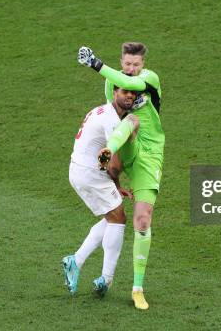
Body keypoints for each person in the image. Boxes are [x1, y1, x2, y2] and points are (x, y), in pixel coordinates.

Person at [78, 43, 164, 310]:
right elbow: (112, 116)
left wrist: (97, 65)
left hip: (148, 153)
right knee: (113, 210)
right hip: (122, 144)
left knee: (142, 219)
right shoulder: (112, 85)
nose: (131, 69)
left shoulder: (149, 79)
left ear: (143, 65)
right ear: (122, 61)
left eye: (136, 65)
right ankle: (108, 152)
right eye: (127, 64)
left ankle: (137, 288)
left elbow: (129, 83)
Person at [62, 86, 140, 297]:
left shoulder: (100, 110)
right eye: (125, 92)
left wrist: (116, 187)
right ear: (114, 92)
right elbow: (112, 165)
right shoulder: (113, 122)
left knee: (112, 216)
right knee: (119, 218)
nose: (130, 96)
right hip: (90, 174)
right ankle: (106, 279)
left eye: (133, 93)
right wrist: (116, 181)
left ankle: (75, 262)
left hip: (79, 169)